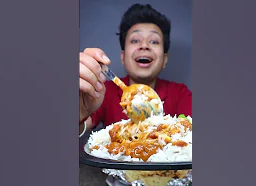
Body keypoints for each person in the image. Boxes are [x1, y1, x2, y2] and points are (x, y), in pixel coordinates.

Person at [79, 3, 192, 134]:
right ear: (122, 57)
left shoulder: (181, 94)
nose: (144, 45)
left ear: (165, 60)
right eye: (135, 40)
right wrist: (79, 115)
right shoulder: (104, 91)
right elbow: (81, 128)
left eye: (154, 41)